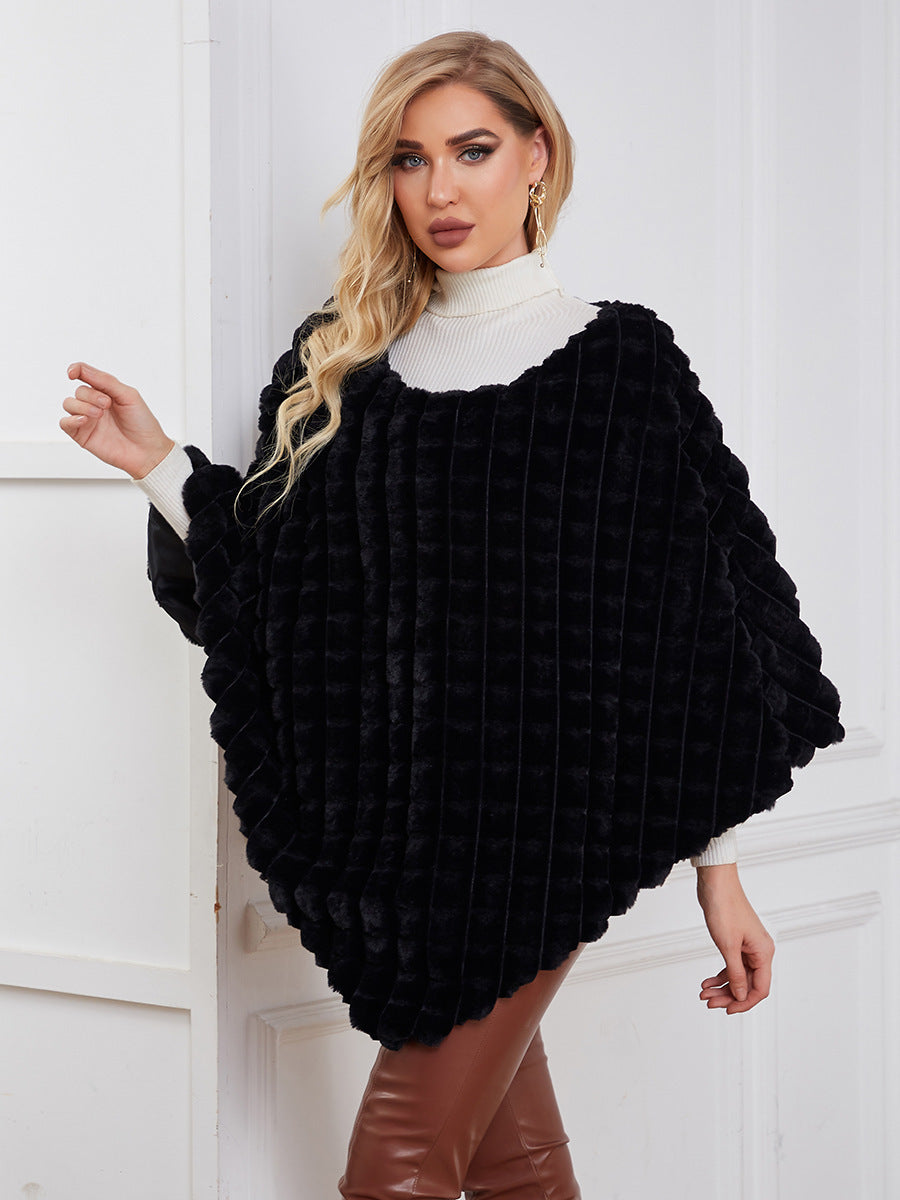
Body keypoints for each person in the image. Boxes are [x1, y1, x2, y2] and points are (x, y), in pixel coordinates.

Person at [60, 30, 843, 1200]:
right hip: (403, 853)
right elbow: (280, 596)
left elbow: (705, 634)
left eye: (471, 151)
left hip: (549, 837)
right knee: (513, 1166)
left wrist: (718, 871)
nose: (439, 190)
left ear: (536, 155)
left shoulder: (622, 365)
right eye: (409, 160)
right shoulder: (343, 363)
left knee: (396, 1165)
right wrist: (159, 464)